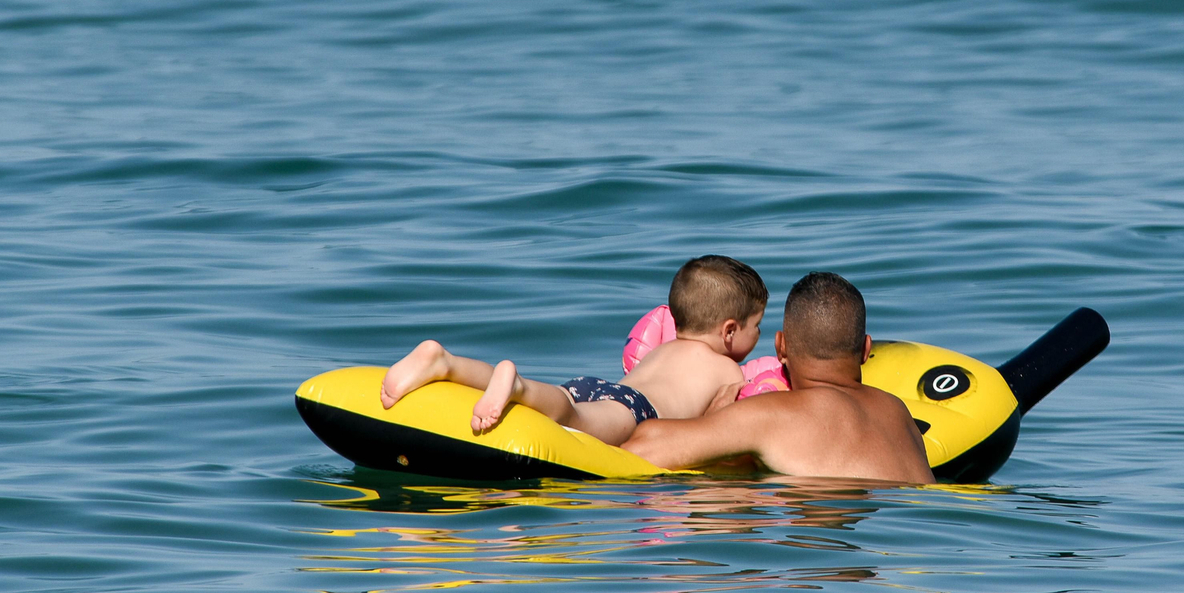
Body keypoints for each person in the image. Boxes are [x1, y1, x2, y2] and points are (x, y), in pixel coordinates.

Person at [378, 255, 767, 446]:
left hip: (597, 386)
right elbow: (721, 427)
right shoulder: (727, 371)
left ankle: (445, 362)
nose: (759, 335)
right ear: (729, 331)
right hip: (636, 411)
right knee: (571, 417)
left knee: (565, 401)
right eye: (757, 326)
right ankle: (515, 387)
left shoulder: (663, 351)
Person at [622, 272, 935, 484]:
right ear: (866, 349)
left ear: (780, 347)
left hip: (823, 558)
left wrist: (713, 418)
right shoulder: (897, 411)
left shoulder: (773, 414)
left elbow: (646, 447)